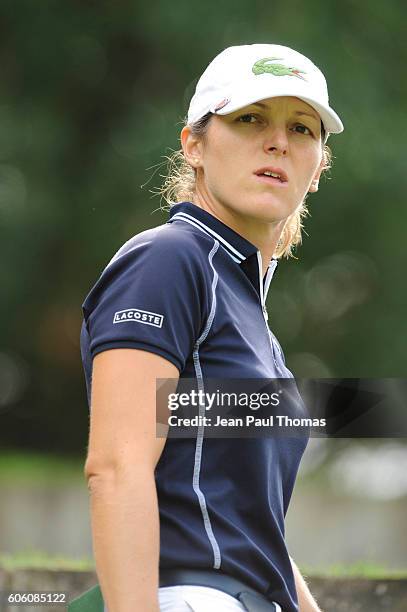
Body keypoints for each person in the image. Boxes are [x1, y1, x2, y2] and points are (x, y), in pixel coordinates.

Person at [80, 43, 344, 612]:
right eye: (250, 118)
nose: (277, 141)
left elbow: (244, 529)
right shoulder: (168, 260)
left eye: (302, 129)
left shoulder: (251, 314)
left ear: (318, 167)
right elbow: (117, 468)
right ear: (193, 144)